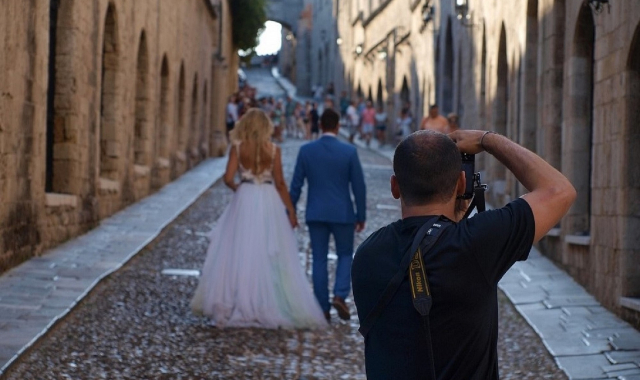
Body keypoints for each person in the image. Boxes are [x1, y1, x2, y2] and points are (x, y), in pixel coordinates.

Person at [351, 130, 576, 379]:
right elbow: (559, 191)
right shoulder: (476, 244)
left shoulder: (366, 256)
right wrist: (486, 140)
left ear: (395, 186)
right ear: (461, 183)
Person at [190, 109, 328, 329]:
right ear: (265, 127)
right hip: (268, 198)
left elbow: (227, 178)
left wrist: (238, 187)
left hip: (244, 198)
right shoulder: (273, 150)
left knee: (238, 249)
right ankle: (268, 300)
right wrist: (291, 211)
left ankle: (235, 300)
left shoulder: (237, 148)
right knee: (268, 250)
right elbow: (281, 183)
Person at [290, 108, 367, 322]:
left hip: (316, 212)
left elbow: (296, 185)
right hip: (343, 213)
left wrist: (290, 209)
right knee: (344, 254)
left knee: (319, 259)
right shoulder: (349, 152)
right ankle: (340, 295)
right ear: (338, 126)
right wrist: (361, 214)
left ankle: (322, 307)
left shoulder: (306, 151)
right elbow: (359, 186)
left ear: (321, 125)